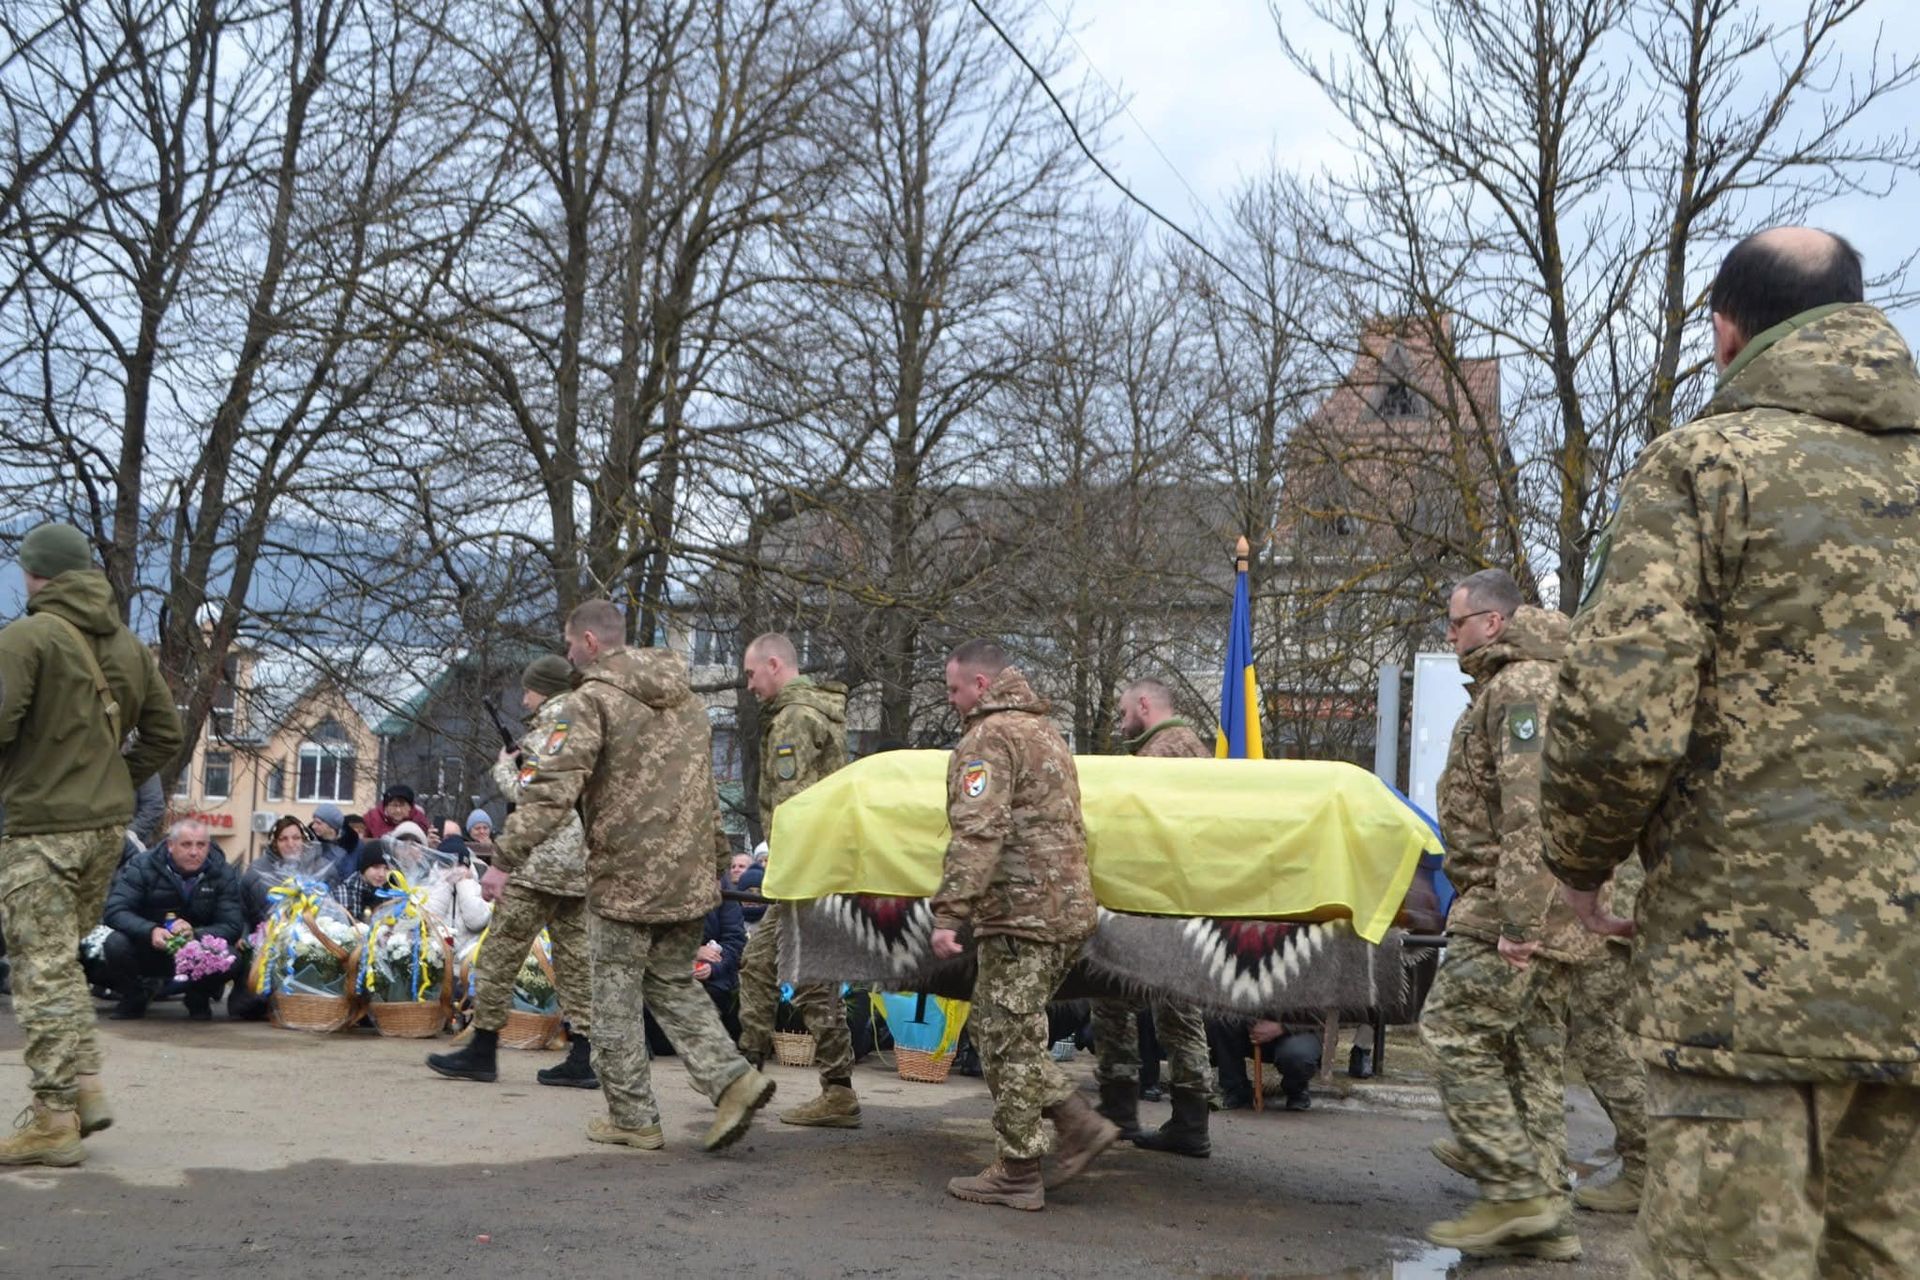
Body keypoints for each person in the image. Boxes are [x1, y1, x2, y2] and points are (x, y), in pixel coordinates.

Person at [1541, 227, 1920, 1277]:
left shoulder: (1705, 467)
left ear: (1726, 331)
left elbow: (1622, 707)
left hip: (1743, 978)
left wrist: (1578, 861)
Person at [487, 600, 772, 1153]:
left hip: (626, 874)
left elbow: (549, 791)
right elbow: (706, 791)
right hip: (688, 872)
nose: (568, 655)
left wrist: (504, 859)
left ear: (590, 642)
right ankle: (733, 1080)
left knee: (612, 996)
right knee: (670, 981)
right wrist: (717, 861)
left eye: (570, 644)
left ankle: (632, 1116)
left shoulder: (589, 702)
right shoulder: (687, 701)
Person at [1421, 568, 1595, 1262]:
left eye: (1457, 622)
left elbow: (1530, 814)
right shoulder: (1518, 684)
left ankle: (1514, 1191)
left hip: (1511, 903)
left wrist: (1518, 923)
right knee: (1532, 1058)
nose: (1450, 635)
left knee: (1452, 1029)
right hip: (1543, 906)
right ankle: (1548, 1215)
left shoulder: (1521, 688)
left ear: (1492, 623)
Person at [0, 521, 184, 1166]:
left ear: (35, 573)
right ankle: (86, 1087)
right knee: (62, 964)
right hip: (108, 830)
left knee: (39, 972)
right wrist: (112, 779)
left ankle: (53, 1120)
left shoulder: (26, 638)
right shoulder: (129, 645)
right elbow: (166, 735)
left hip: (41, 829)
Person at [932, 639, 1114, 1211]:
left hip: (1022, 915)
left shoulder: (988, 738)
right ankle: (1074, 1122)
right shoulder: (1046, 733)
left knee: (1006, 1038)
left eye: (954, 689)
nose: (951, 700)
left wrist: (950, 911)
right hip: (1062, 909)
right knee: (1000, 1030)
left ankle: (1019, 1169)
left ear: (981, 685)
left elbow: (978, 830)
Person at [429, 655, 597, 1090]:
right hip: (578, 866)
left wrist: (506, 764)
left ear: (544, 689)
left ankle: (482, 1048)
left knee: (499, 954)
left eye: (528, 690)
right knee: (576, 963)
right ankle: (584, 1054)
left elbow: (529, 791)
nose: (524, 699)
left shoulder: (552, 729)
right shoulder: (584, 725)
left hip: (539, 862)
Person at [734, 632, 860, 1128]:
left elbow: (793, 806)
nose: (749, 686)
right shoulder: (812, 712)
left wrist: (783, 869)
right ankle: (834, 1090)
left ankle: (749, 1079)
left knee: (778, 970)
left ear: (774, 665)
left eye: (751, 674)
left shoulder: (793, 719)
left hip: (806, 872)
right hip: (817, 868)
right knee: (798, 976)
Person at [1092, 677, 1218, 1155]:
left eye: (1124, 711)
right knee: (1178, 1009)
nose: (1121, 720)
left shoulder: (1157, 756)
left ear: (1144, 704)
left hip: (1148, 900)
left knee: (1114, 999)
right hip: (1183, 899)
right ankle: (1190, 1120)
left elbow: (1131, 830)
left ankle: (1120, 1109)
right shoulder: (1197, 749)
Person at [99, 819, 244, 1020]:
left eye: (201, 845)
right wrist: (150, 930)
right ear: (170, 845)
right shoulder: (142, 865)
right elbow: (115, 910)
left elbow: (232, 925)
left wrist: (195, 934)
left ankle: (198, 996)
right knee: (115, 944)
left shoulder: (223, 872)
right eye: (186, 844)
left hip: (197, 950)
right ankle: (135, 996)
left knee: (231, 957)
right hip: (149, 946)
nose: (194, 852)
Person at [1206, 1017, 1321, 1110]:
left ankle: (1296, 1089)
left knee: (1296, 1057)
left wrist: (1282, 1027)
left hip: (1299, 1030)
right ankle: (1236, 1091)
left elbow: (1322, 1013)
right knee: (1218, 1020)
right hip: (1251, 1029)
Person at [334, 843, 393, 921]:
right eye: (376, 867)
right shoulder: (344, 892)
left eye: (387, 868)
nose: (382, 874)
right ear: (364, 867)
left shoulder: (391, 894)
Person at [362, 785, 428, 839]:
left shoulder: (419, 820)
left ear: (410, 807)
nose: (398, 810)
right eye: (394, 805)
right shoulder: (371, 818)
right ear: (386, 806)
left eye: (402, 805)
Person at [308, 804, 355, 879]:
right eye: (314, 822)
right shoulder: (309, 844)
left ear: (331, 827)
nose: (313, 826)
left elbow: (347, 878)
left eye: (318, 823)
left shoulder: (347, 853)